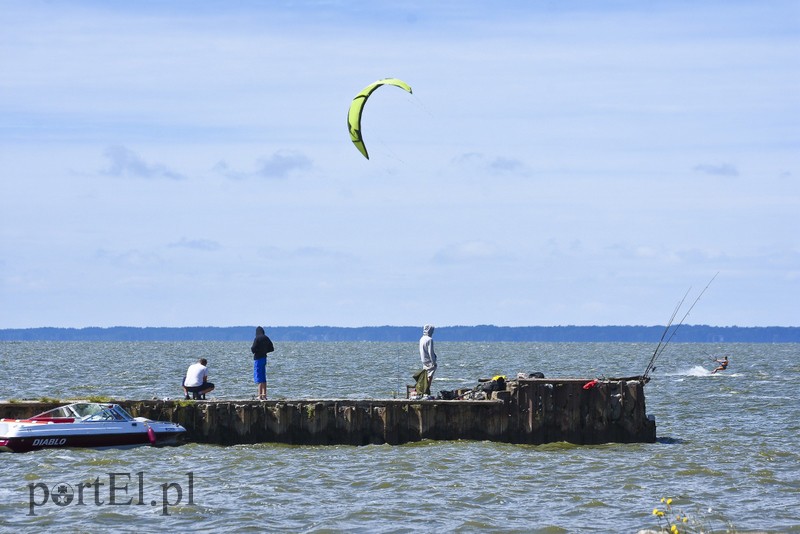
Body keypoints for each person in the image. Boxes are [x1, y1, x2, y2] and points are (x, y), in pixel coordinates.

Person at [251, 326, 274, 400]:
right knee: (263, 377)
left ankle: (259, 395)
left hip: (258, 359)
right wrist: (265, 351)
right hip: (264, 358)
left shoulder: (257, 338)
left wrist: (258, 351)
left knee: (259, 377)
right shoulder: (266, 338)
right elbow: (272, 348)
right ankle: (264, 395)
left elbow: (253, 349)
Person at [418, 324, 438, 395]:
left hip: (423, 360)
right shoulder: (429, 339)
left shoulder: (421, 339)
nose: (432, 333)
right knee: (430, 375)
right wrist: (434, 362)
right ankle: (426, 390)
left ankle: (423, 390)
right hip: (429, 360)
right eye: (432, 331)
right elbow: (431, 352)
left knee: (425, 375)